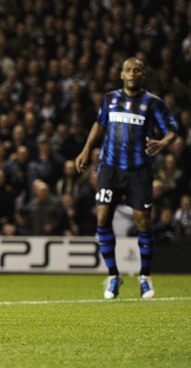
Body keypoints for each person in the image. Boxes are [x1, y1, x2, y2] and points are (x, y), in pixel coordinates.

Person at [75, 58, 178, 300]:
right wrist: (85, 149)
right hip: (110, 168)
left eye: (137, 70)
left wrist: (163, 142)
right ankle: (113, 275)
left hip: (139, 170)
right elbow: (99, 125)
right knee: (102, 217)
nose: (132, 73)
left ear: (143, 74)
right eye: (128, 70)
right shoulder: (110, 99)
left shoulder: (153, 103)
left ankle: (144, 276)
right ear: (122, 74)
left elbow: (173, 129)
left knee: (143, 221)